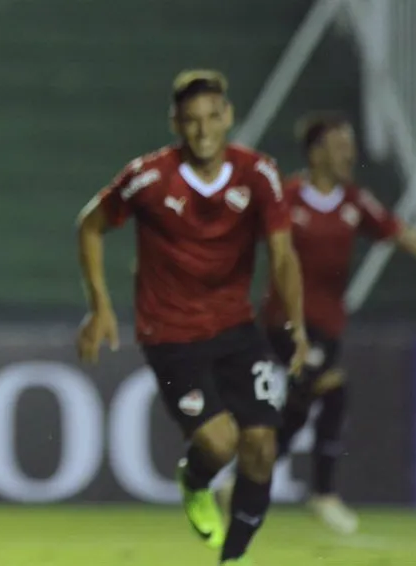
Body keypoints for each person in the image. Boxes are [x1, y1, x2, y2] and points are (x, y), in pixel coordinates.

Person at [75, 69, 308, 565]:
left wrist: (296, 324)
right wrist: (100, 305)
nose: (203, 130)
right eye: (191, 120)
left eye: (211, 118)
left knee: (262, 446)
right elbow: (90, 225)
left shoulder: (258, 173)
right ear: (175, 123)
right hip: (172, 333)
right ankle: (194, 478)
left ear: (228, 117)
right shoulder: (149, 177)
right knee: (220, 445)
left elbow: (284, 257)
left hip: (236, 328)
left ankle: (234, 558)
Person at [216, 112, 416, 534]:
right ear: (316, 152)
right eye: (340, 146)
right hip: (287, 322)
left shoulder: (354, 201)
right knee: (327, 386)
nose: (350, 154)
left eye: (350, 146)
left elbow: (401, 233)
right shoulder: (287, 197)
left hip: (328, 325)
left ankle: (244, 481)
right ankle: (322, 495)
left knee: (311, 400)